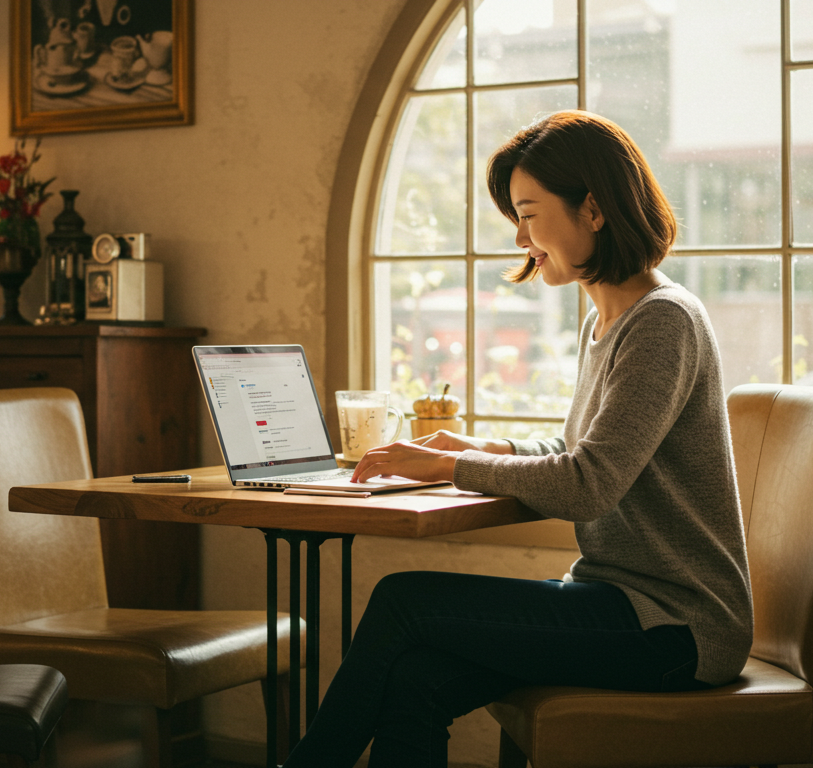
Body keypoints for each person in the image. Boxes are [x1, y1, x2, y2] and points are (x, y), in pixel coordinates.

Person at [281, 111, 753, 767]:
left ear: (592, 208)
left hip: (674, 627)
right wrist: (474, 448)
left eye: (530, 213)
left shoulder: (661, 322)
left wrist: (449, 466)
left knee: (402, 601)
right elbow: (584, 457)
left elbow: (589, 485)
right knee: (416, 678)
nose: (520, 236)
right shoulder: (611, 322)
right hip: (618, 604)